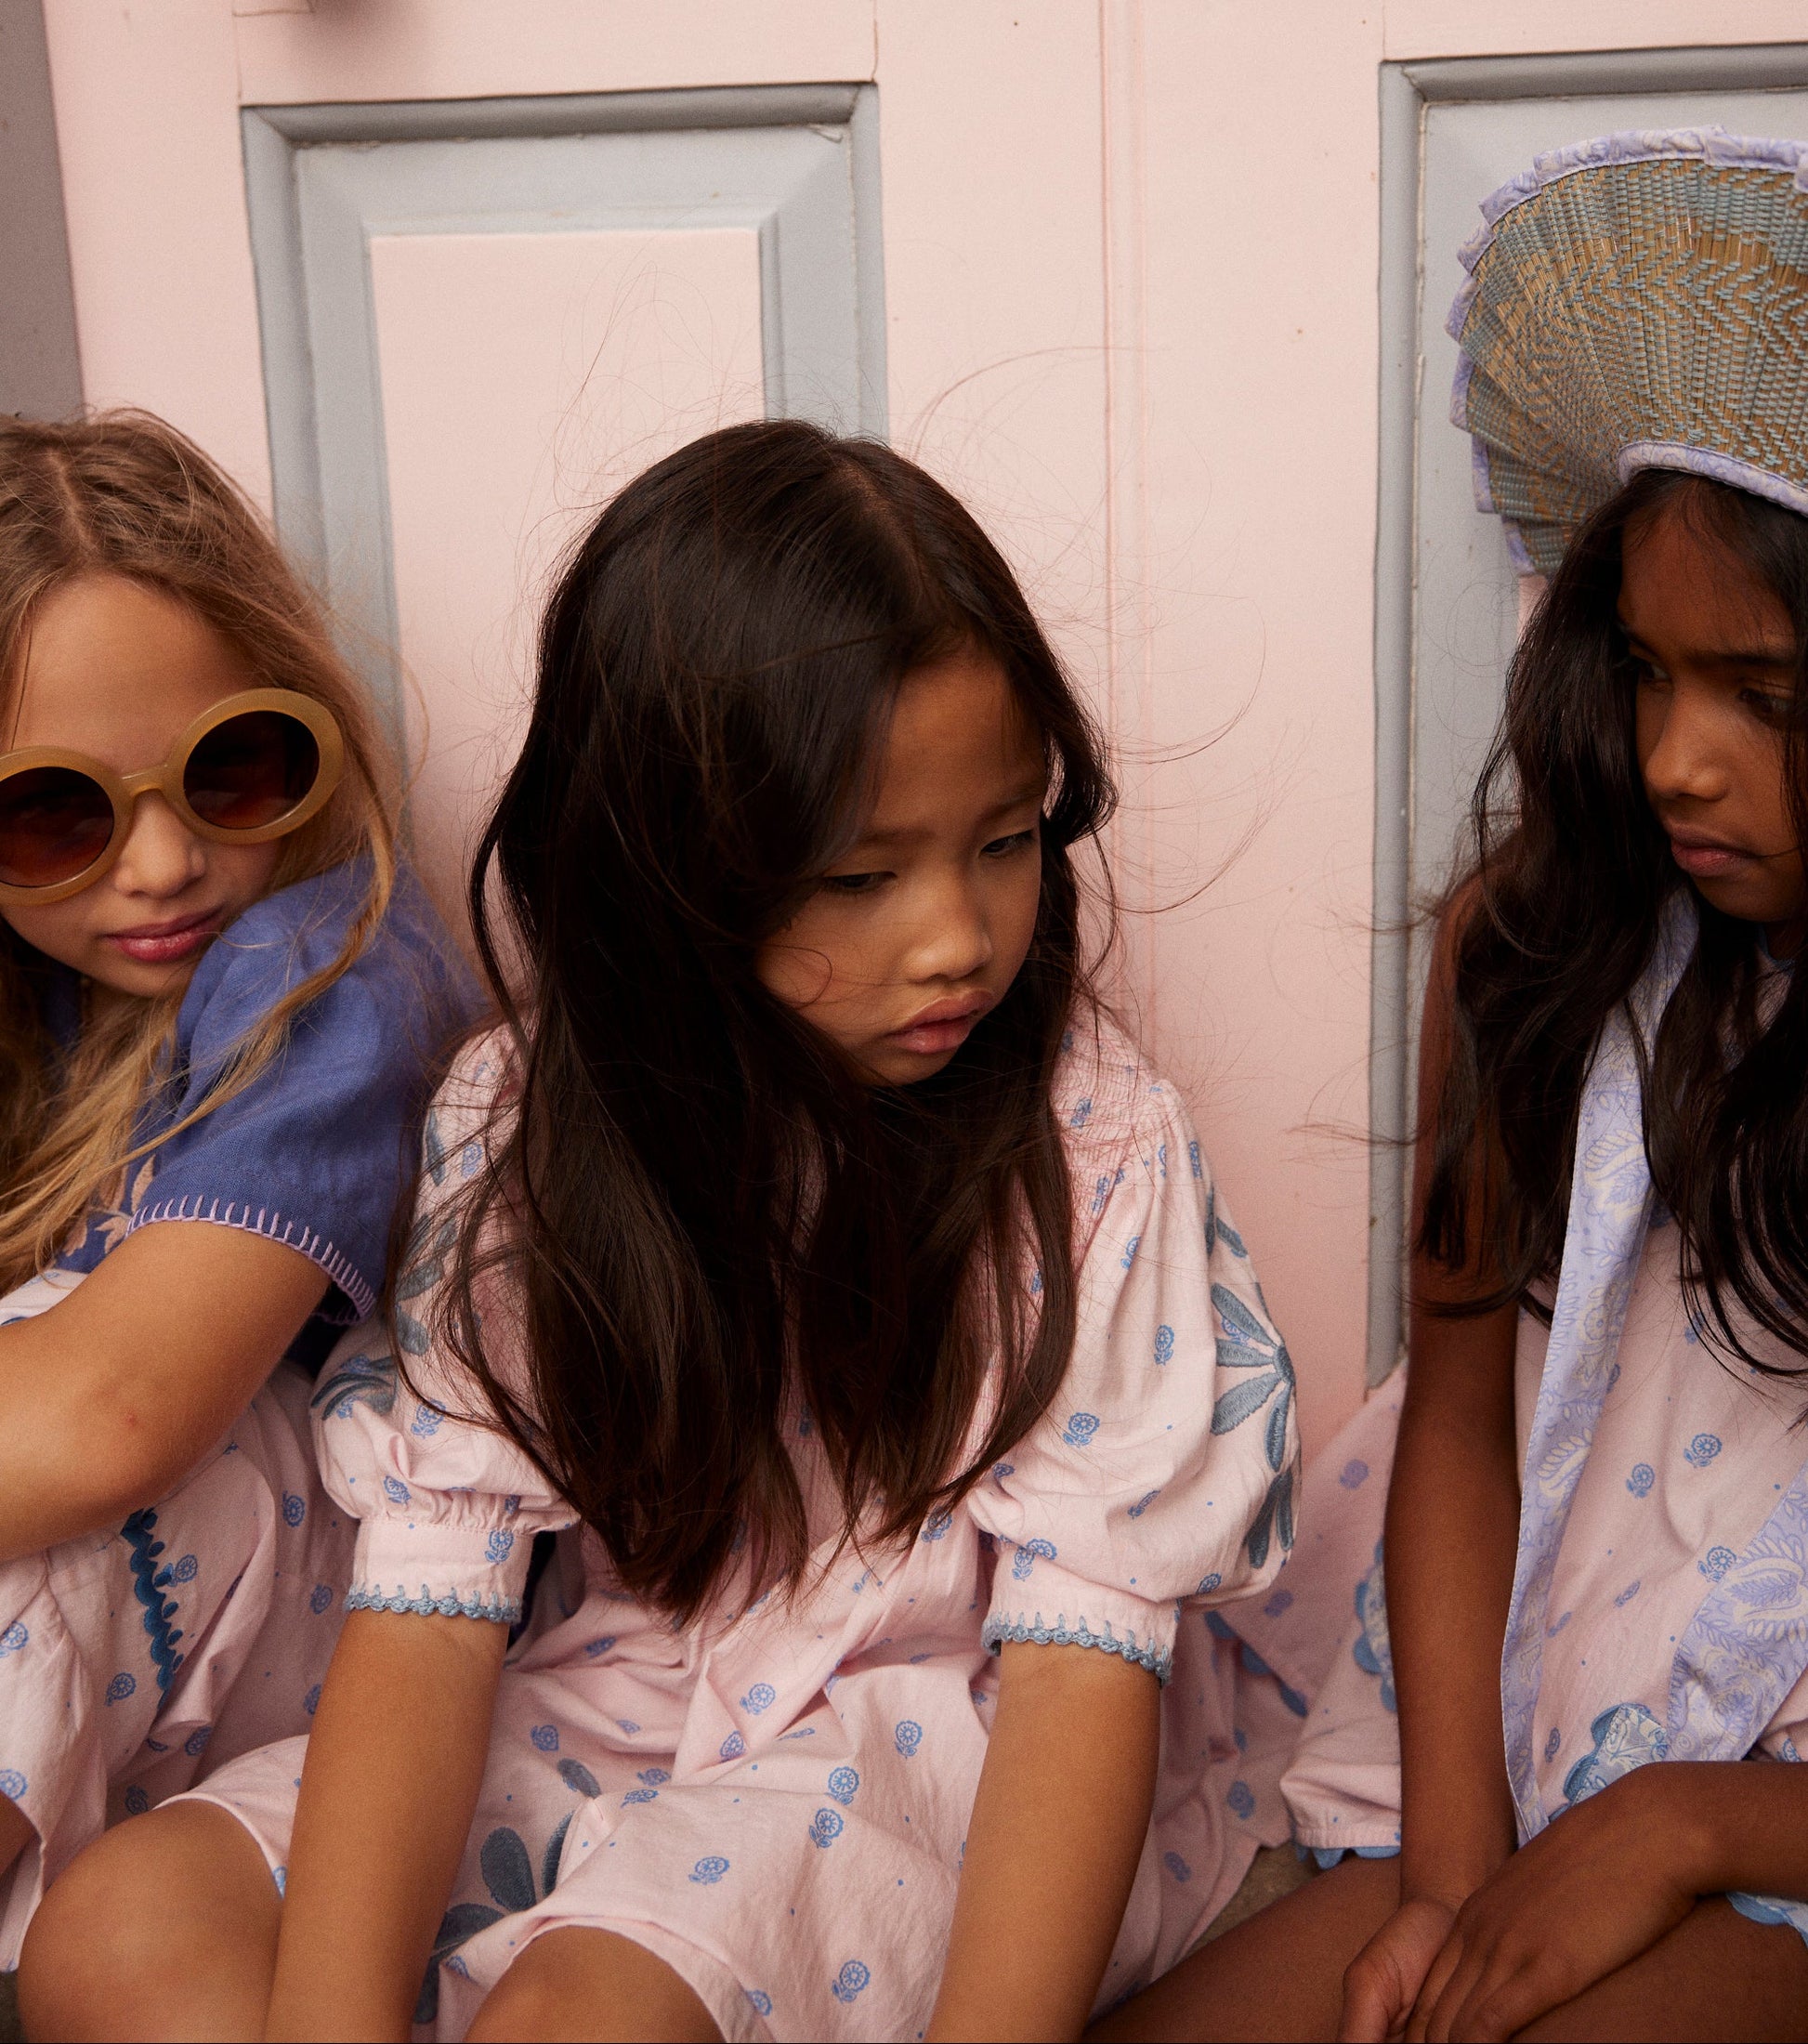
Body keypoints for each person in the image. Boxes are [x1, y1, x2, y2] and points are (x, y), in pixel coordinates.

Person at [21, 420, 1304, 2043]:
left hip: (942, 1732)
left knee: (582, 2015)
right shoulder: (523, 1128)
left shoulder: (1092, 1147)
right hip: (621, 1693)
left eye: (1002, 842)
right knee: (117, 1937)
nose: (957, 937)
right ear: (664, 864)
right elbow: (428, 1617)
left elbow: (1079, 1675)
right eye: (861, 876)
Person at [1096, 128, 1808, 2042]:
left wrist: (1679, 1825)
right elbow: (1464, 1415)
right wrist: (1447, 1871)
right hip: (1519, 1707)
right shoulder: (1530, 947)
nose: (1673, 757)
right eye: (1644, 671)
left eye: (1762, 696)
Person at [0, 411, 473, 1969]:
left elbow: (114, 1418)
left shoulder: (332, 972)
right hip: (154, 1627)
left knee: (68, 1502)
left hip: (361, 1598)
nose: (159, 864)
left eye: (229, 771)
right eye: (53, 814)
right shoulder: (34, 996)